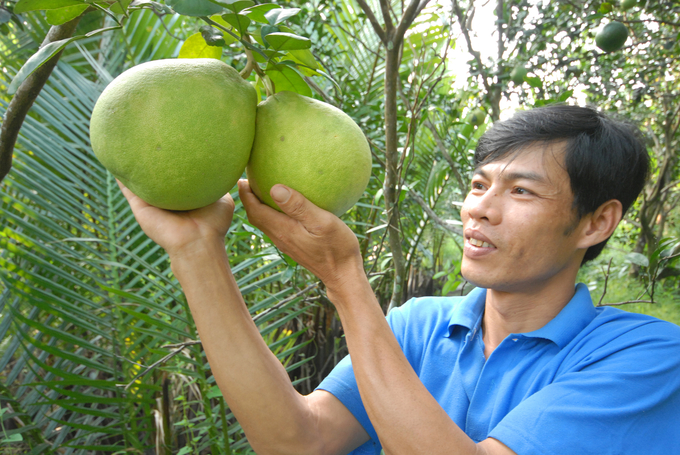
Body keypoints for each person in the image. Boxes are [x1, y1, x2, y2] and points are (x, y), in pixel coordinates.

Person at [119, 104, 680, 455]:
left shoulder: (646, 357)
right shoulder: (418, 327)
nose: (480, 209)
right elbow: (299, 441)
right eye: (480, 184)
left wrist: (345, 279)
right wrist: (197, 250)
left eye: (521, 191)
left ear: (596, 222)